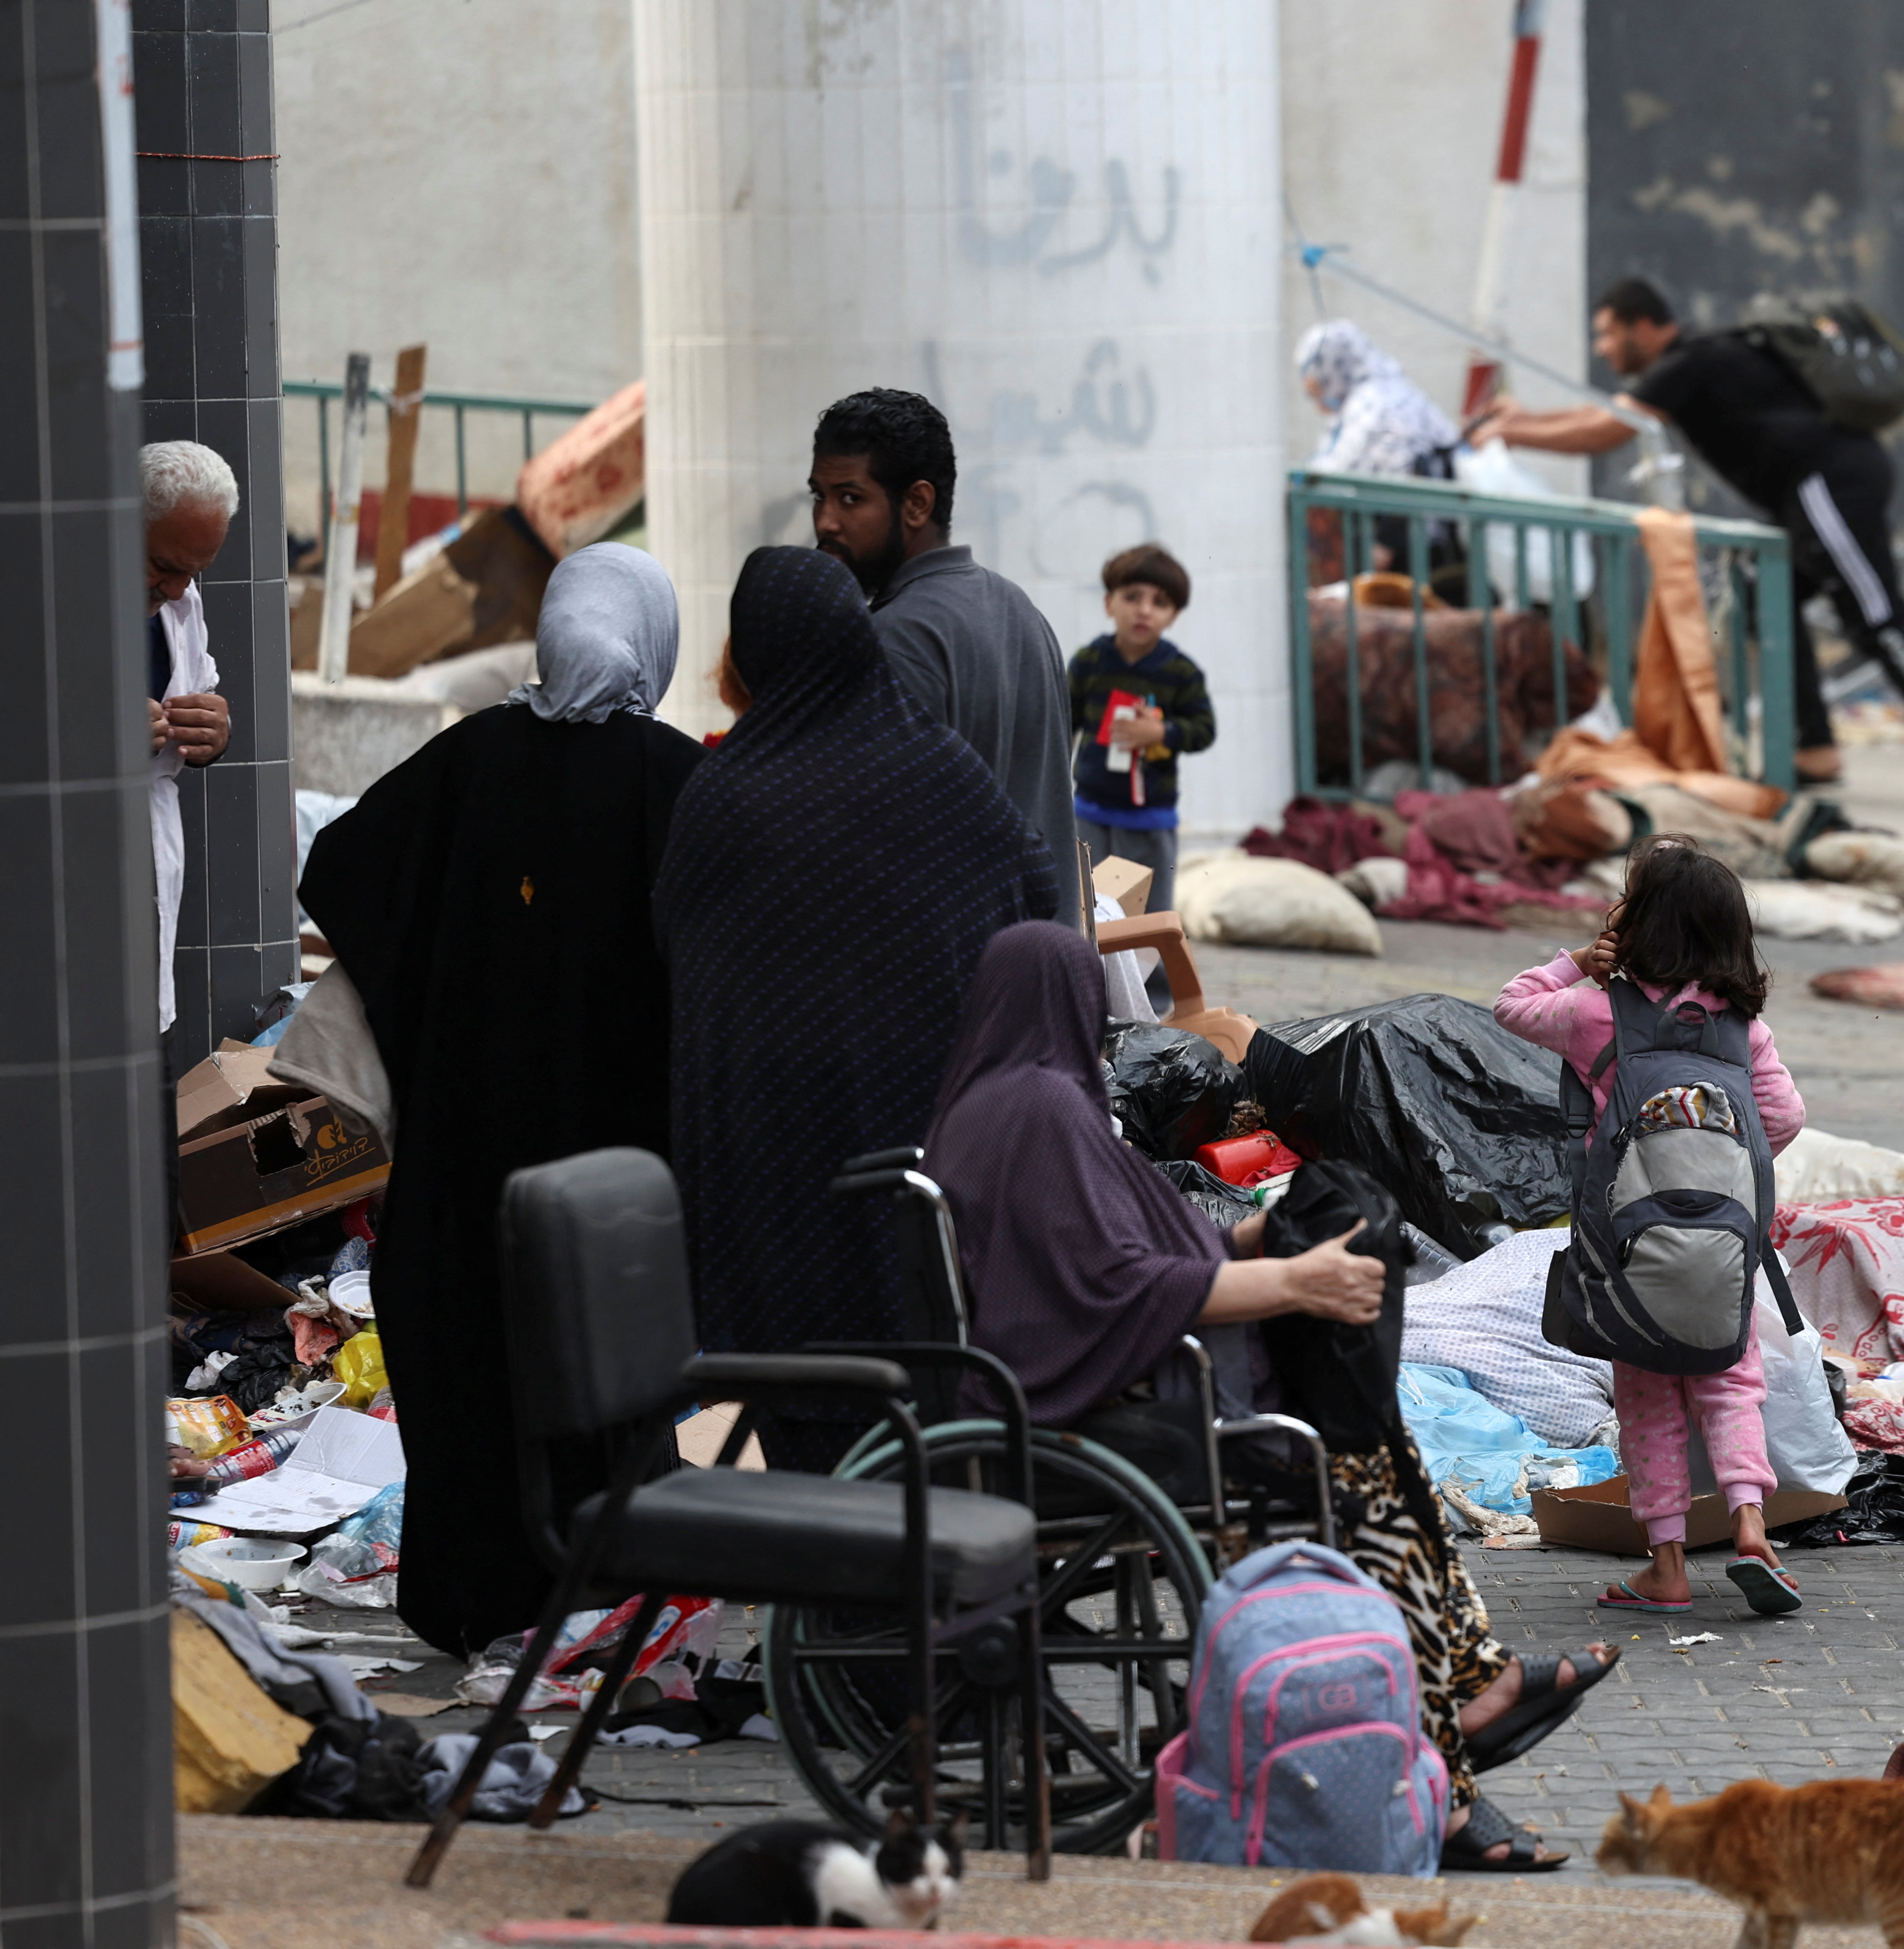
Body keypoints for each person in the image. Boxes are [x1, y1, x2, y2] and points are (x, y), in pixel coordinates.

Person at [924, 921, 1614, 1871]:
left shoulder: (1018, 1097)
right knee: (1347, 1474)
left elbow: (1143, 1246)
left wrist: (1275, 1233)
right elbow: (1110, 1288)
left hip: (1099, 1391)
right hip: (1083, 1411)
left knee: (1374, 1452)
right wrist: (1295, 1286)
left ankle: (1465, 1688)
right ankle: (1444, 1763)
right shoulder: (1038, 1108)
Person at [298, 544, 706, 1656]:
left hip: (462, 1167)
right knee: (601, 1374)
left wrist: (442, 990)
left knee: (471, 1370)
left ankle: (471, 1599)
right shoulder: (676, 781)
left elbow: (340, 869)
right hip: (619, 1175)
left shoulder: (469, 760)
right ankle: (605, 1592)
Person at [657, 547, 1061, 1472]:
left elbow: (674, 943)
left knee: (811, 1381)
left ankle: (835, 1575)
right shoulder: (935, 763)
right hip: (929, 1146)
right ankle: (915, 1554)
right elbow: (1034, 881)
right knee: (922, 1362)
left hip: (777, 1157)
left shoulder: (728, 794)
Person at [1494, 838, 1807, 1614]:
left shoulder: (1596, 1011)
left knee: (1648, 1399)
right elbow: (1784, 1118)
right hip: (1723, 1248)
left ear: (1636, 925)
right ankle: (1748, 1523)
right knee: (1731, 1380)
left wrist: (1576, 961)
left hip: (1627, 1249)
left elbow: (1511, 1003)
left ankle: (1666, 1566)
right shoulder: (1741, 1030)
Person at [1475, 276, 1904, 780]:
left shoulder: (1689, 362)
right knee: (1767, 596)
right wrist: (1522, 421)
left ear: (1643, 327)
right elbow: (1608, 412)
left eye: (1607, 334)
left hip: (1828, 484)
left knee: (1877, 619)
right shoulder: (1694, 357)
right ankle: (1814, 749)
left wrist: (1511, 433)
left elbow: (1605, 430)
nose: (1601, 349)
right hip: (1816, 489)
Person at [808, 388, 1079, 873]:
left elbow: (884, 850)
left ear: (917, 504)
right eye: (819, 496)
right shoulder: (1020, 610)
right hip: (1044, 944)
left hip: (960, 949)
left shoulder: (893, 639)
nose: (826, 521)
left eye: (850, 498)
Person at [143, 440, 236, 1037]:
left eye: (194, 574)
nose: (178, 591)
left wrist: (214, 732)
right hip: (58, 862)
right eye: (165, 568)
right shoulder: (42, 598)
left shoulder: (179, 595)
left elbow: (198, 684)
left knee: (143, 1045)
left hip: (148, 849)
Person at [1069, 543, 1213, 921]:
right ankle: (1090, 981)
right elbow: (1061, 724)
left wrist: (1162, 732)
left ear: (1174, 616)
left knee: (1148, 920)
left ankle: (1153, 984)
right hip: (1090, 815)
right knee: (1089, 913)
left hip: (1150, 820)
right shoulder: (1088, 663)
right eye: (1132, 597)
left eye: (1160, 602)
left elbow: (1203, 730)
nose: (1144, 609)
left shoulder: (1182, 673)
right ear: (1108, 603)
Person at [1297, 319, 1461, 577]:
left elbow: (1398, 470)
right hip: (1424, 539)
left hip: (1412, 550)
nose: (1317, 402)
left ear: (1330, 372)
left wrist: (1387, 543)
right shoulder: (1380, 395)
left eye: (1315, 391)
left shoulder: (1374, 405)